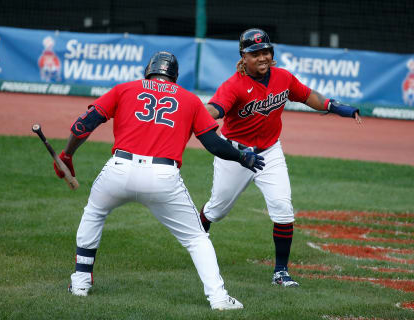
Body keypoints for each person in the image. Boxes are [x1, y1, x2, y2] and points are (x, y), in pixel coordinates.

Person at [53, 51, 265, 310]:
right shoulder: (189, 99)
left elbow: (83, 126)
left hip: (118, 169)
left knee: (94, 213)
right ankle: (219, 298)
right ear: (174, 76)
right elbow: (212, 143)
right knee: (197, 239)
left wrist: (67, 155)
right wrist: (242, 157)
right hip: (163, 177)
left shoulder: (124, 89)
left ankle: (81, 281)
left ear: (148, 71)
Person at [199, 28, 362, 287]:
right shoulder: (233, 86)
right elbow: (214, 110)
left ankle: (280, 272)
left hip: (270, 152)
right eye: (255, 53)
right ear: (243, 57)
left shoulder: (282, 77)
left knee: (283, 209)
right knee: (217, 209)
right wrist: (195, 117)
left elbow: (308, 96)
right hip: (236, 154)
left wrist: (333, 106)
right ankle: (197, 242)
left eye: (266, 51)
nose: (262, 57)